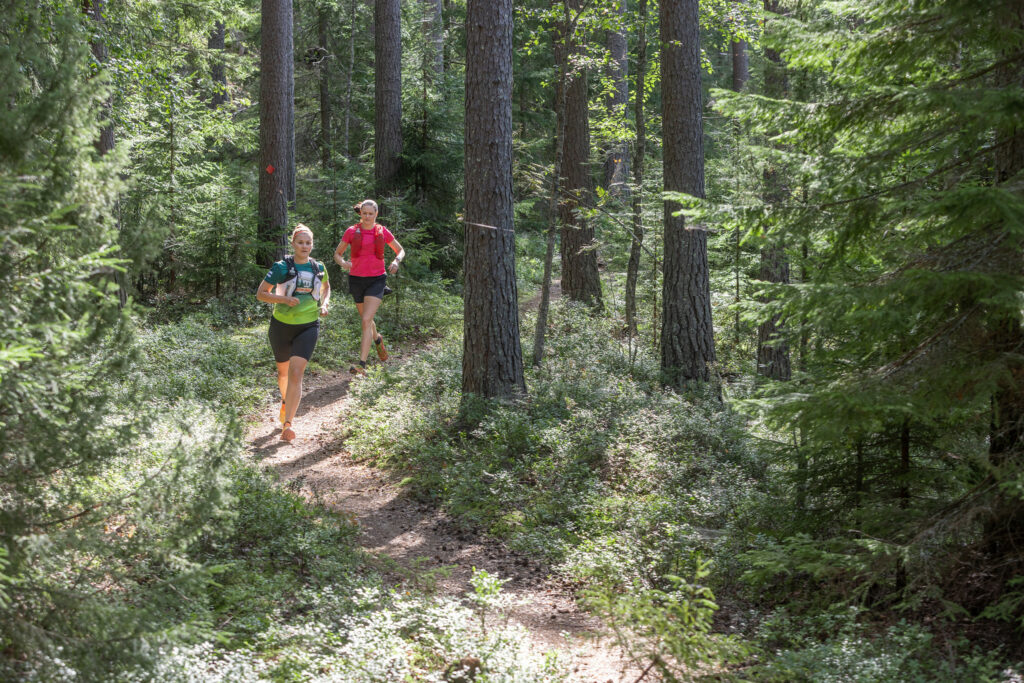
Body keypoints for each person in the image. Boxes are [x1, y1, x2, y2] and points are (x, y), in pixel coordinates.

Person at [256, 224, 331, 442]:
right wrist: (284, 299)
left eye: (308, 243)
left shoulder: (319, 267)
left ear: (312, 245)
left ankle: (288, 423)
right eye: (301, 242)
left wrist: (325, 304)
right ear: (293, 244)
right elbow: (261, 294)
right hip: (281, 326)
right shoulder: (281, 267)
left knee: (297, 374)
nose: (305, 246)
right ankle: (285, 401)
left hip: (308, 326)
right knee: (283, 374)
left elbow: (326, 287)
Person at [334, 199, 405, 375]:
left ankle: (362, 365)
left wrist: (396, 261)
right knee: (366, 319)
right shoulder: (351, 231)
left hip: (376, 280)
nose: (367, 217)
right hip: (357, 280)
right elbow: (337, 253)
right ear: (361, 214)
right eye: (364, 213)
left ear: (376, 214)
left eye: (370, 214)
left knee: (366, 320)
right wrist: (343, 263)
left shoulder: (382, 231)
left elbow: (400, 250)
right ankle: (377, 338)